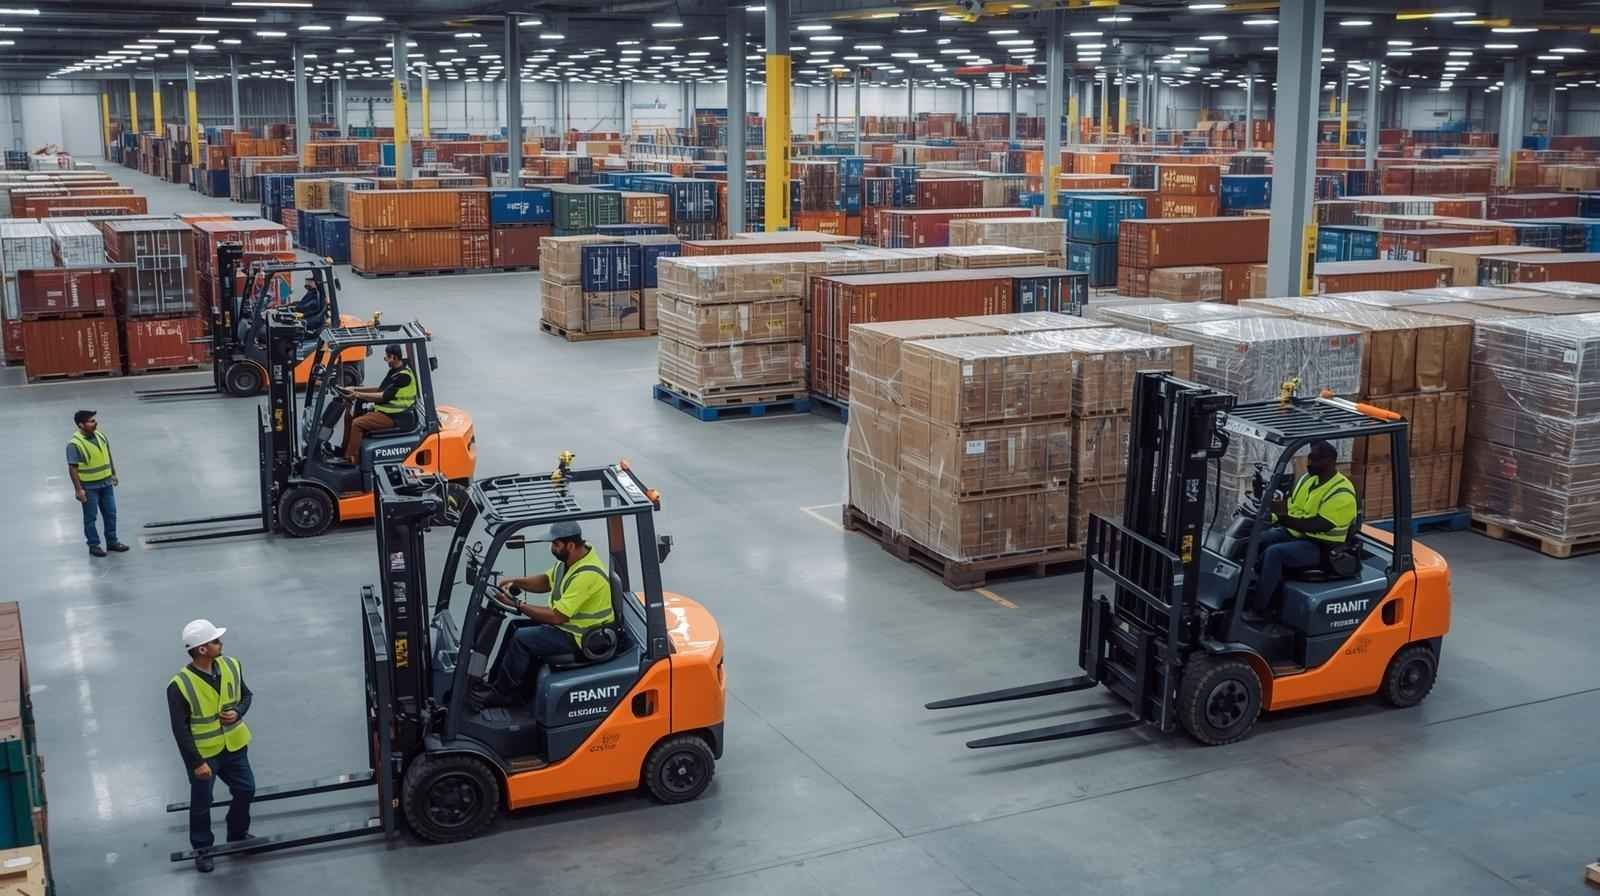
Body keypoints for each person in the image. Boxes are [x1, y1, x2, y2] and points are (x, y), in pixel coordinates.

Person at [474, 522, 616, 708]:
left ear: (570, 545)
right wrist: (516, 581)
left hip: (581, 638)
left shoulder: (587, 574)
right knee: (514, 626)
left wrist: (517, 604)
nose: (552, 548)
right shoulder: (569, 562)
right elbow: (546, 581)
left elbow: (557, 616)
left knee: (521, 639)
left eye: (555, 544)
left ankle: (503, 695)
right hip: (568, 629)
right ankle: (494, 684)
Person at [169, 619, 256, 873]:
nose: (221, 643)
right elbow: (180, 730)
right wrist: (196, 763)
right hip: (205, 754)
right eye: (215, 641)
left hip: (235, 746)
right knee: (202, 803)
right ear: (202, 650)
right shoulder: (180, 685)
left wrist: (238, 712)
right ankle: (202, 849)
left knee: (246, 790)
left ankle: (237, 834)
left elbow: (246, 695)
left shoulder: (231, 665)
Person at [1246, 441, 1360, 622]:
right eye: (1309, 458)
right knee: (1255, 540)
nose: (1309, 463)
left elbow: (1316, 525)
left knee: (1274, 553)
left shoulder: (1342, 493)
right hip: (1297, 534)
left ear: (1329, 462)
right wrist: (1269, 515)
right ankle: (1255, 588)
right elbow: (1293, 507)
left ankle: (1261, 608)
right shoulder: (1307, 479)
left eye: (1314, 459)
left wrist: (1283, 519)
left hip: (1324, 548)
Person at [335, 343, 417, 464]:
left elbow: (383, 396)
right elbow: (380, 390)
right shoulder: (395, 371)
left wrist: (357, 395)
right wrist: (355, 389)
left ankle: (350, 459)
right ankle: (343, 450)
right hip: (388, 412)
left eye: (386, 357)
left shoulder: (403, 376)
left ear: (393, 357)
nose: (385, 360)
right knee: (350, 417)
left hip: (397, 417)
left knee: (357, 423)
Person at [66, 410, 127, 557]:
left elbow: (108, 454)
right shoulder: (74, 444)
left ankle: (112, 541)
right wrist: (78, 490)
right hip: (89, 487)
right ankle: (94, 545)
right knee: (91, 518)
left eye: (94, 420)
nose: (95, 423)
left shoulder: (100, 435)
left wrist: (113, 473)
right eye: (91, 421)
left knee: (111, 513)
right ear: (81, 425)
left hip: (106, 484)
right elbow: (72, 468)